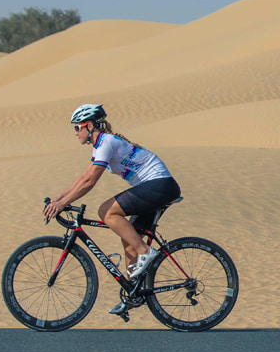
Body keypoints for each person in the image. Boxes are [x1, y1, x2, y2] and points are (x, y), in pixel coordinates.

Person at [45, 103, 181, 314]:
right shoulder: (101, 144)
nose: (75, 133)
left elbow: (90, 181)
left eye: (77, 127)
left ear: (89, 125)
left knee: (106, 211)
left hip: (160, 184)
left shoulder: (106, 142)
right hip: (156, 186)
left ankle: (146, 251)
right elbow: (83, 177)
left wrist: (62, 204)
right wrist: (59, 198)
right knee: (129, 238)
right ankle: (133, 292)